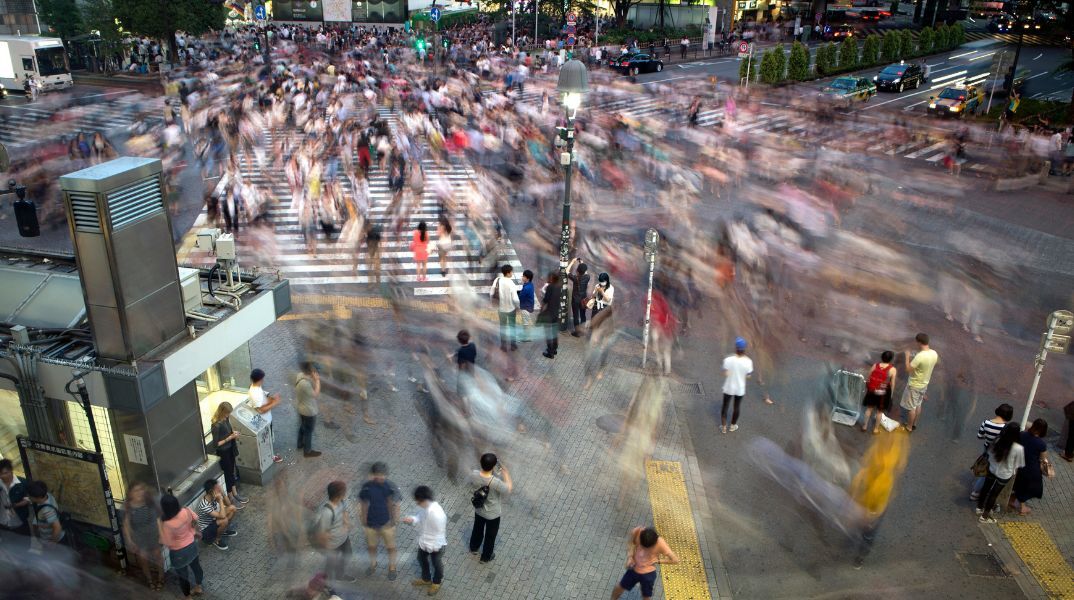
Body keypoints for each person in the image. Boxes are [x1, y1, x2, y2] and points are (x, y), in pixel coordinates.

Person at [609, 526, 680, 600]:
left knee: (646, 597)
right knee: (619, 587)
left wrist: (658, 561)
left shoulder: (661, 543)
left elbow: (675, 560)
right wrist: (630, 557)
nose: (643, 549)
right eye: (642, 545)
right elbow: (631, 543)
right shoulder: (637, 531)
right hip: (634, 567)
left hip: (648, 574)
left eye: (647, 547)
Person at [359, 462, 401, 579]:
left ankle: (392, 567)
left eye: (383, 475)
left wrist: (393, 520)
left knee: (391, 547)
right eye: (378, 474)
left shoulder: (389, 486)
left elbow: (392, 503)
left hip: (386, 524)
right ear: (373, 474)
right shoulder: (367, 487)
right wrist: (364, 520)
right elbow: (363, 503)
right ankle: (373, 564)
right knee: (371, 546)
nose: (381, 477)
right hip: (371, 524)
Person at [403, 485, 447, 596]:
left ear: (424, 500)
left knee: (436, 564)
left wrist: (434, 547)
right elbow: (419, 516)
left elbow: (439, 533)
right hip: (425, 542)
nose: (417, 504)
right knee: (421, 558)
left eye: (418, 501)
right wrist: (412, 519)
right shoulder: (424, 507)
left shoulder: (437, 514)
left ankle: (436, 582)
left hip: (436, 545)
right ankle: (426, 579)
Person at [468, 453, 512, 564]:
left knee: (477, 529)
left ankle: (474, 547)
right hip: (493, 514)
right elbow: (508, 489)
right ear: (493, 467)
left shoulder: (474, 474)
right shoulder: (495, 482)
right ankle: (486, 556)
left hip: (479, 509)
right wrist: (506, 474)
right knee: (490, 535)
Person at [977, 422, 1025, 523]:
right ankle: (985, 516)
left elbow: (989, 454)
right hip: (1004, 474)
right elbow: (1019, 463)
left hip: (992, 469)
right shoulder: (1018, 448)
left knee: (986, 487)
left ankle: (979, 507)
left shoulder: (997, 440)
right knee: (994, 494)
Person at [159, 492, 204, 599]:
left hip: (178, 552)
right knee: (196, 567)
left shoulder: (167, 523)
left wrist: (159, 524)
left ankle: (188, 597)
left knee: (183, 576)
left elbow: (166, 541)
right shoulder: (185, 510)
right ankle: (198, 587)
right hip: (191, 545)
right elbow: (195, 518)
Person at [123, 481, 164, 590]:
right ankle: (149, 579)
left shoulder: (150, 502)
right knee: (143, 559)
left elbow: (158, 520)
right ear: (130, 493)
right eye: (136, 490)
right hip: (139, 538)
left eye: (141, 489)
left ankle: (161, 577)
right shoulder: (128, 506)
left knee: (158, 556)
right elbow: (126, 525)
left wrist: (162, 535)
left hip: (153, 535)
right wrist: (129, 540)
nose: (140, 492)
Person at [315, 480, 357, 584]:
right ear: (339, 494)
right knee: (330, 564)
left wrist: (347, 523)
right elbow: (322, 533)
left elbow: (344, 511)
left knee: (347, 555)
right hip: (332, 545)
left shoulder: (341, 502)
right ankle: (326, 584)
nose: (345, 493)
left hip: (344, 539)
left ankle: (340, 575)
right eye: (344, 491)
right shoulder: (327, 512)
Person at [970, 403, 1014, 500]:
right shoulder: (1006, 427)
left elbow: (980, 436)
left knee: (985, 469)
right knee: (991, 472)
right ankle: (980, 492)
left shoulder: (986, 422)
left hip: (987, 448)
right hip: (999, 452)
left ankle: (976, 491)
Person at [210, 402, 248, 507]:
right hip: (223, 452)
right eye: (227, 413)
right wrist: (229, 438)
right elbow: (216, 444)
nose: (228, 415)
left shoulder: (225, 419)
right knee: (227, 474)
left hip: (230, 449)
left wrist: (233, 434)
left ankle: (235, 494)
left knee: (232, 472)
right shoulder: (216, 425)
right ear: (222, 412)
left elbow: (228, 432)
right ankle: (231, 497)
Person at [1011, 419, 1051, 516]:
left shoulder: (1022, 435)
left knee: (1018, 483)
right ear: (1043, 430)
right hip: (1031, 468)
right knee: (1030, 487)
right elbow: (1043, 458)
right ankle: (1022, 507)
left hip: (1018, 465)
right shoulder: (1041, 444)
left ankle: (1013, 499)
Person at [900, 333, 938, 432]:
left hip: (914, 385)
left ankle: (909, 427)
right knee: (918, 404)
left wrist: (907, 357)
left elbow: (908, 369)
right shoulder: (934, 353)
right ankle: (915, 423)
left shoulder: (920, 356)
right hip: (924, 384)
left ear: (919, 342)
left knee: (911, 407)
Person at [249, 368, 283, 463]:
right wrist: (275, 403)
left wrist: (272, 399)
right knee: (267, 440)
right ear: (259, 379)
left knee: (269, 438)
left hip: (267, 420)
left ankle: (269, 455)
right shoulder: (255, 393)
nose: (263, 380)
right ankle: (270, 457)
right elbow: (261, 409)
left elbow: (264, 401)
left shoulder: (256, 387)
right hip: (265, 421)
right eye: (262, 379)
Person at [721, 337, 754, 433]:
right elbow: (748, 376)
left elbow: (725, 373)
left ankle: (723, 427)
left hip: (728, 387)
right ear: (744, 349)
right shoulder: (748, 362)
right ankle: (732, 426)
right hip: (740, 389)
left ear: (735, 348)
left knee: (725, 406)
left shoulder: (728, 359)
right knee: (737, 407)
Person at [860, 351, 896, 434]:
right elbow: (892, 383)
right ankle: (875, 429)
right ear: (891, 359)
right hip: (883, 393)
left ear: (882, 357)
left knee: (869, 409)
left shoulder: (875, 366)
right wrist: (891, 394)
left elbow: (869, 378)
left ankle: (864, 426)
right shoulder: (892, 369)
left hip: (872, 391)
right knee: (879, 411)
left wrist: (868, 388)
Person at [197, 479, 237, 550]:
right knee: (224, 520)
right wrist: (220, 500)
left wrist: (223, 493)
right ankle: (217, 540)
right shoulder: (204, 505)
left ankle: (223, 530)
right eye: (217, 488)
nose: (219, 489)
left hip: (214, 521)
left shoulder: (213, 496)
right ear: (211, 491)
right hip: (206, 530)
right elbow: (222, 516)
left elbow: (228, 504)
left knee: (232, 508)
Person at [0, 459, 31, 548]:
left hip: (20, 521)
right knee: (8, 545)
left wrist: (16, 505)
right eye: (0, 474)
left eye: (5, 473)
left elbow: (29, 499)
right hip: (3, 522)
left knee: (25, 545)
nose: (2, 476)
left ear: (11, 471)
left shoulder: (22, 483)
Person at [295, 361, 323, 458]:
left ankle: (299, 444)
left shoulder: (300, 376)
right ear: (310, 371)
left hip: (300, 407)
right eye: (313, 370)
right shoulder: (305, 384)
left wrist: (312, 378)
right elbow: (315, 394)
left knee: (302, 426)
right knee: (308, 430)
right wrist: (317, 381)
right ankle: (307, 451)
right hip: (308, 411)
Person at [27, 481, 65, 549]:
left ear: (37, 497)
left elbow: (57, 528)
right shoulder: (46, 495)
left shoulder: (47, 510)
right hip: (44, 535)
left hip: (50, 538)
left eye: (30, 496)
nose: (29, 497)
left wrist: (52, 542)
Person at [490, 264, 520, 351]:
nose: (512, 273)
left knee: (502, 327)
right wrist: (518, 307)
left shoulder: (497, 280)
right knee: (512, 327)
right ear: (508, 273)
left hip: (501, 309)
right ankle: (513, 345)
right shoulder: (511, 284)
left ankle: (503, 346)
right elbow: (515, 298)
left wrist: (491, 301)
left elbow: (491, 292)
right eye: (511, 272)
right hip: (511, 309)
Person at [538, 272, 562, 359]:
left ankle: (550, 352)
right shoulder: (559, 287)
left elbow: (546, 299)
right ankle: (555, 349)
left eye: (549, 277)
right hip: (556, 313)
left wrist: (541, 309)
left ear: (552, 278)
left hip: (549, 313)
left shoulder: (550, 287)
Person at [567, 259, 590, 336]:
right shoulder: (587, 277)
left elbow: (566, 271)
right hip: (583, 300)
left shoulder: (575, 278)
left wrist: (572, 262)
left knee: (576, 316)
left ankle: (577, 333)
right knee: (583, 315)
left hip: (575, 300)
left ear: (577, 270)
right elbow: (584, 271)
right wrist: (582, 263)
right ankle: (582, 330)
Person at [517, 269, 536, 342]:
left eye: (523, 276)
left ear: (527, 278)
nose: (522, 277)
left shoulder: (526, 288)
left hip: (525, 307)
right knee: (526, 322)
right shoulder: (530, 285)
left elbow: (521, 298)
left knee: (526, 323)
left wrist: (517, 294)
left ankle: (527, 338)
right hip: (529, 306)